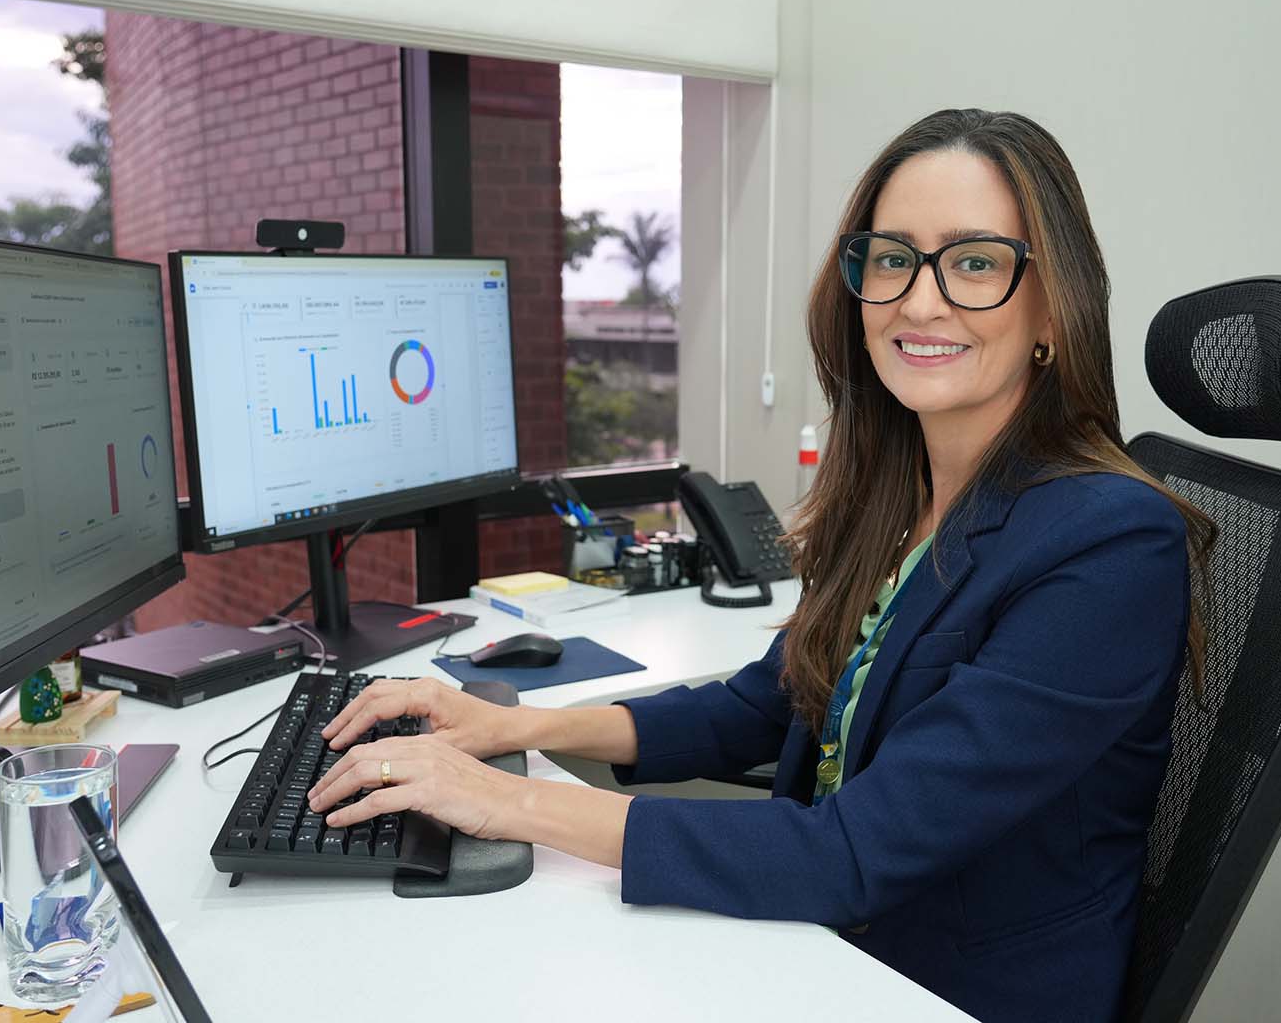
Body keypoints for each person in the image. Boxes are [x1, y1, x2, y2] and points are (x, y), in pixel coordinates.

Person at [308, 108, 1215, 1021]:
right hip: (827, 949)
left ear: (1052, 304)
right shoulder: (906, 498)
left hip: (940, 989)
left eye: (974, 262)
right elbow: (769, 701)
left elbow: (850, 853)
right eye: (893, 257)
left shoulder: (1110, 544)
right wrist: (516, 729)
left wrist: (504, 805)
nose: (921, 300)